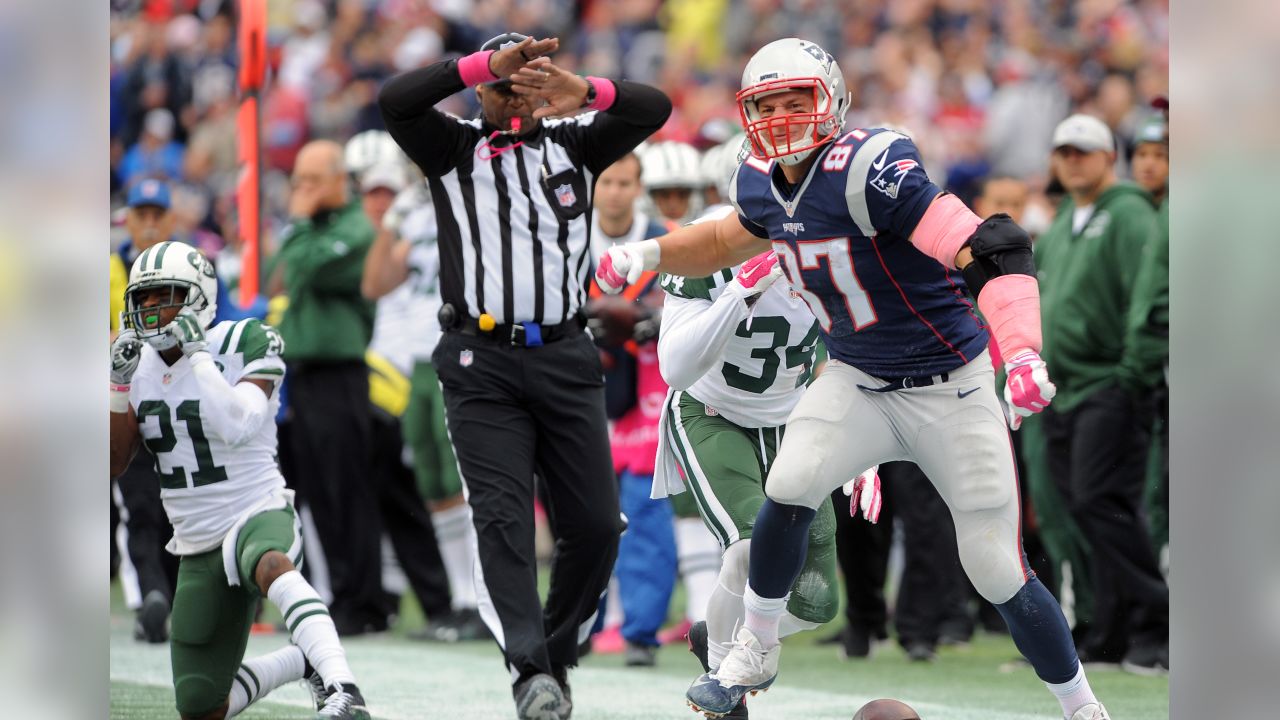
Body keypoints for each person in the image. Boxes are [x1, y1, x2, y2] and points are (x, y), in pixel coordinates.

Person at [597, 38, 1109, 720]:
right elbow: (725, 240)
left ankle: (1081, 707)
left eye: (794, 101)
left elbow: (989, 245)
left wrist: (1019, 351)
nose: (780, 119)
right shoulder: (757, 179)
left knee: (995, 567)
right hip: (859, 377)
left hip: (949, 382)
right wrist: (649, 251)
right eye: (765, 105)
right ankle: (755, 645)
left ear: (831, 99)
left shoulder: (870, 168)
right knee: (790, 482)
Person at [378, 32, 671, 718]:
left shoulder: (575, 145)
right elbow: (394, 100)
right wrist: (483, 65)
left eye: (524, 84)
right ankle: (528, 669)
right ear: (479, 90)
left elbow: (651, 108)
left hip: (567, 354)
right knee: (504, 517)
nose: (513, 97)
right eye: (500, 85)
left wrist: (583, 90)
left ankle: (553, 650)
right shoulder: (452, 148)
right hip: (481, 361)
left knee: (599, 524)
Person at [109, 241, 369, 719]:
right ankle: (301, 660)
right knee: (201, 707)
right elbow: (112, 463)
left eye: (163, 294)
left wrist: (198, 357)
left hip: (255, 508)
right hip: (194, 539)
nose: (150, 308)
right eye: (142, 298)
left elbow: (239, 423)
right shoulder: (138, 367)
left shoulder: (244, 339)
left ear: (198, 296)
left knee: (270, 563)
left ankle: (343, 689)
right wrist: (116, 390)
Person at [653, 205, 881, 718]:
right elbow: (675, 367)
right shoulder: (706, 244)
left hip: (793, 419)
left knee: (816, 602)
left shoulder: (830, 249)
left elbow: (858, 353)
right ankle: (722, 685)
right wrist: (737, 294)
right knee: (751, 549)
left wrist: (864, 449)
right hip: (713, 412)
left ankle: (720, 634)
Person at [1036, 113, 1169, 674]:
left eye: (1082, 152)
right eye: (1063, 152)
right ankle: (1109, 630)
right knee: (1080, 511)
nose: (1071, 161)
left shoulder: (1131, 214)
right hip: (1062, 388)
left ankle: (1160, 620)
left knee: (1101, 501)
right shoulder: (1067, 217)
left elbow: (1149, 291)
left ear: (1107, 158)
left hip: (1109, 382)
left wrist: (1131, 372)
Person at [356, 147, 488, 642]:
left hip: (458, 350)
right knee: (433, 480)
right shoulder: (411, 211)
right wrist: (393, 222)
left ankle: (483, 597)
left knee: (466, 476)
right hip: (413, 358)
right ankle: (459, 600)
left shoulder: (472, 198)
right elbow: (375, 283)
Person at [276, 139, 383, 636]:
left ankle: (363, 601)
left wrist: (297, 221)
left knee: (348, 490)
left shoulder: (357, 227)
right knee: (318, 492)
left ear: (339, 181)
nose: (301, 192)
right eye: (297, 182)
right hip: (306, 375)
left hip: (340, 373)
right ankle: (340, 591)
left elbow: (304, 266)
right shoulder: (317, 230)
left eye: (312, 182)